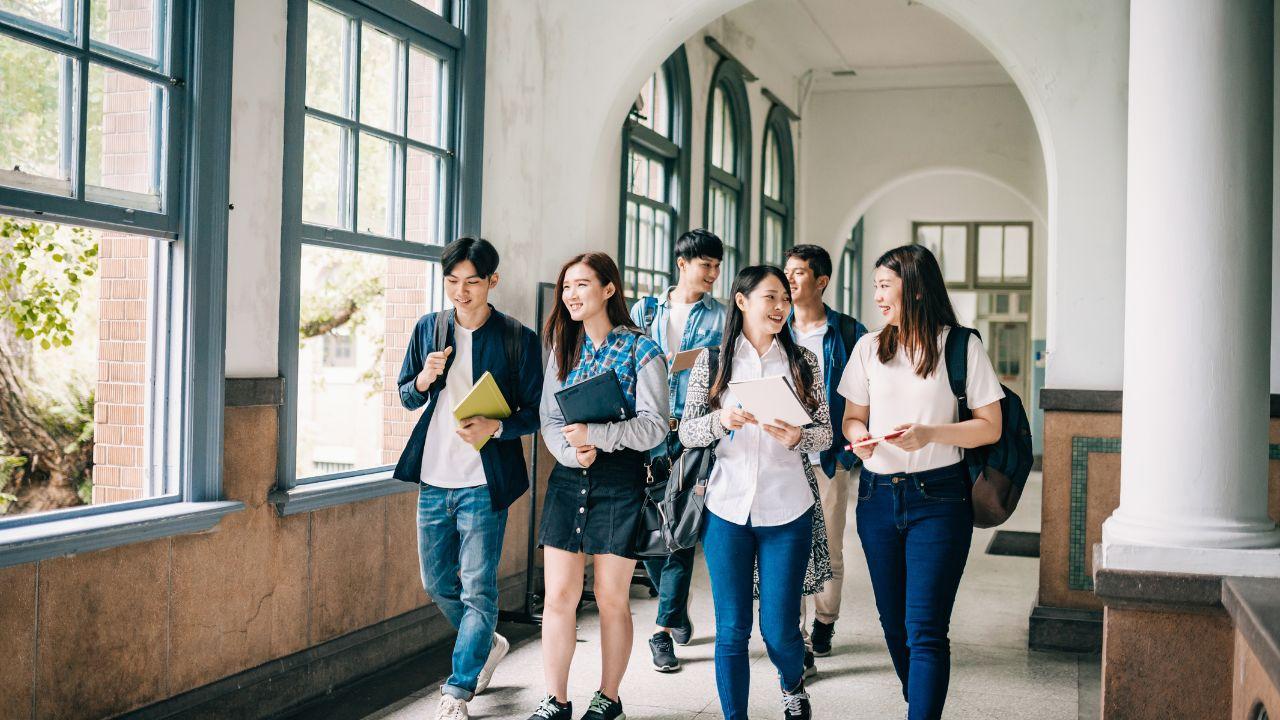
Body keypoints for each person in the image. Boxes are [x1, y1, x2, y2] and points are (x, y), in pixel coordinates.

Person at [839, 245, 1003, 720]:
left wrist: (930, 434)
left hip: (940, 498)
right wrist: (860, 437)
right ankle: (921, 702)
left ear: (914, 288)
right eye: (875, 286)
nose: (877, 296)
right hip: (876, 498)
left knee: (925, 629)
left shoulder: (961, 346)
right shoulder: (869, 347)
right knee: (894, 625)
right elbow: (852, 417)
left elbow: (989, 427)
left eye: (884, 286)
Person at [392, 238, 544, 720]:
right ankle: (486, 641)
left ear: (492, 281)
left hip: (484, 480)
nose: (461, 291)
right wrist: (424, 378)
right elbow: (406, 395)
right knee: (436, 582)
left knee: (478, 588)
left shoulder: (518, 338)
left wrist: (495, 427)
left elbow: (536, 412)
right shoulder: (429, 328)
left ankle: (457, 690)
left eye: (472, 282)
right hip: (434, 477)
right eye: (453, 281)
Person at [678, 265, 833, 720]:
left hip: (788, 510)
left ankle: (792, 683)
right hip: (726, 508)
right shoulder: (712, 361)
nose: (781, 306)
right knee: (731, 630)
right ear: (742, 301)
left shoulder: (803, 363)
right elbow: (686, 432)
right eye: (771, 297)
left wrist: (799, 437)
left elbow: (825, 433)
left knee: (780, 630)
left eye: (785, 298)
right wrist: (719, 421)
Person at [530, 252, 670, 720]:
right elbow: (550, 418)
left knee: (611, 598)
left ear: (609, 289)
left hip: (619, 480)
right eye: (566, 286)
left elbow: (655, 426)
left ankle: (609, 698)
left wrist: (598, 436)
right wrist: (574, 453)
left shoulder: (642, 349)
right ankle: (555, 700)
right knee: (559, 597)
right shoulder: (562, 347)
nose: (571, 295)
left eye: (582, 285)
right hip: (569, 478)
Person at [629, 228, 726, 673]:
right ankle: (675, 608)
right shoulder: (645, 310)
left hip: (692, 433)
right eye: (706, 265)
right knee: (651, 530)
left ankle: (662, 630)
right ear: (682, 263)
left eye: (717, 266)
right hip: (646, 431)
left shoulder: (721, 316)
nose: (713, 273)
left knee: (681, 530)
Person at [782, 244, 867, 671]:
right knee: (789, 550)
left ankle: (825, 621)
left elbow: (865, 393)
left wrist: (849, 452)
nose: (789, 279)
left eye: (799, 272)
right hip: (783, 457)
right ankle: (795, 637)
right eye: (787, 271)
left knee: (829, 547)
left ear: (821, 281)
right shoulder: (776, 327)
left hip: (828, 457)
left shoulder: (849, 332)